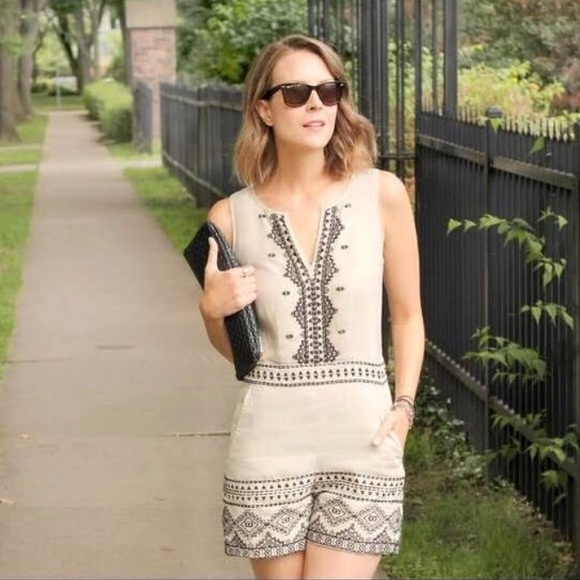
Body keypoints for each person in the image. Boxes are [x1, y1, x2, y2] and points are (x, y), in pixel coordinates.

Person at [199, 34, 424, 580]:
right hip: (269, 441)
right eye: (297, 93)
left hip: (362, 437)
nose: (317, 104)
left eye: (329, 90)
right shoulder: (230, 217)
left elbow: (407, 316)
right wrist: (211, 312)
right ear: (265, 109)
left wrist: (403, 410)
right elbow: (241, 355)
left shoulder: (382, 194)